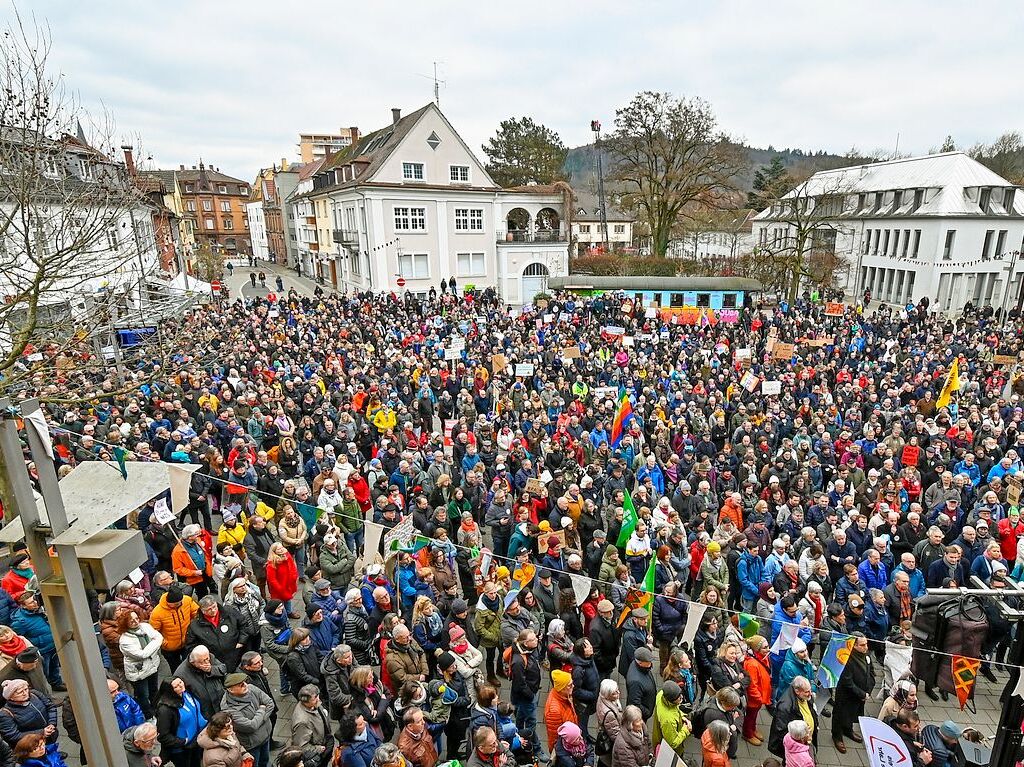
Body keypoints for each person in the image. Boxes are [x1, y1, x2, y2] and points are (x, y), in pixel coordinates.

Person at [220, 672, 276, 767]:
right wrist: (261, 710)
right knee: (255, 764)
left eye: (245, 682)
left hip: (265, 736)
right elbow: (251, 726)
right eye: (241, 685)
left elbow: (270, 703)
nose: (245, 685)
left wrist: (258, 721)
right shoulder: (229, 709)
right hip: (252, 744)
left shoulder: (251, 688)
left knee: (265, 761)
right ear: (231, 690)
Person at [832, 633, 874, 753]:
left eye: (866, 644)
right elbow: (847, 682)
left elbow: (871, 673)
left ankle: (848, 730)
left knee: (852, 714)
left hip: (860, 695)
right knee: (840, 716)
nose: (865, 647)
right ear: (854, 645)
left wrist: (868, 690)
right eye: (862, 645)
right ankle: (837, 736)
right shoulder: (846, 659)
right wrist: (862, 694)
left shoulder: (866, 656)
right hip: (846, 695)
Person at [156, 678, 206, 767]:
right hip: (182, 750)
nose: (181, 685)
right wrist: (184, 741)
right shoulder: (165, 709)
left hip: (196, 741)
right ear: (170, 690)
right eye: (176, 686)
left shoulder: (187, 693)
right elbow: (163, 736)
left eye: (180, 682)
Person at [290, 684, 334, 767]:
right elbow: (301, 746)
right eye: (315, 698)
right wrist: (318, 749)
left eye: (317, 695)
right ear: (306, 701)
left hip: (325, 740)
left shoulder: (313, 705)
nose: (318, 699)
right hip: (318, 751)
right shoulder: (302, 722)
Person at [544, 670, 578, 751]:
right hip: (565, 748)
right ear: (562, 688)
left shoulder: (564, 694)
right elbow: (555, 738)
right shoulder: (554, 711)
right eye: (569, 685)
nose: (573, 686)